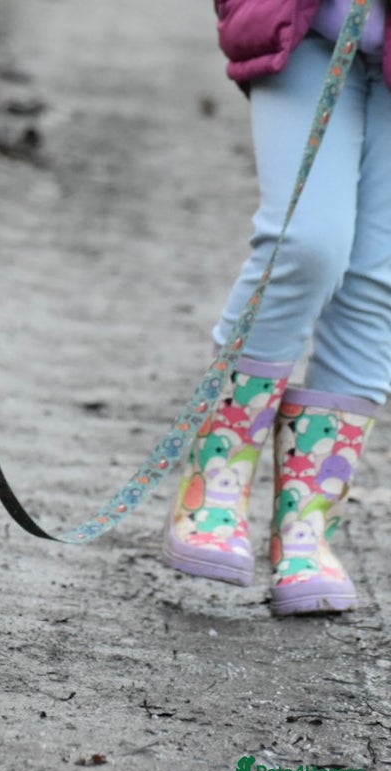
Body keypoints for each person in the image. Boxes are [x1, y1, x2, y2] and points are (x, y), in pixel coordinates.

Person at [162, 0, 391, 615]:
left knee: (376, 279)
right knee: (305, 242)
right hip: (304, 27)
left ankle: (307, 528)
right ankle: (216, 479)